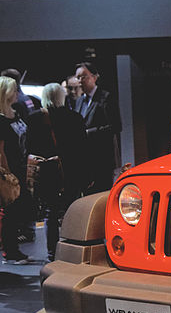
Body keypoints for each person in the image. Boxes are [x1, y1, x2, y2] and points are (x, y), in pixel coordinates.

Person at [25, 83, 88, 261]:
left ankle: (52, 253)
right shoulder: (74, 118)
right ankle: (71, 249)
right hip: (70, 172)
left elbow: (28, 147)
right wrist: (86, 175)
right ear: (62, 96)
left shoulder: (34, 118)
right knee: (71, 211)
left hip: (46, 172)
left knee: (49, 213)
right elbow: (83, 150)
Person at [0, 76, 33, 264]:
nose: (17, 94)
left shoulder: (16, 112)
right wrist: (7, 174)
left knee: (18, 210)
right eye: (13, 90)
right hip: (9, 171)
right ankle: (10, 251)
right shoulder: (1, 120)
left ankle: (14, 248)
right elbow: (1, 151)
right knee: (9, 211)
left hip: (21, 167)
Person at [75, 61, 121, 194]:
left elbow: (116, 126)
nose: (80, 81)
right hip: (86, 159)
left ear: (95, 77)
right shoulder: (79, 101)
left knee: (102, 196)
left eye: (83, 77)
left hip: (102, 158)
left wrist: (88, 133)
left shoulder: (106, 97)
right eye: (77, 77)